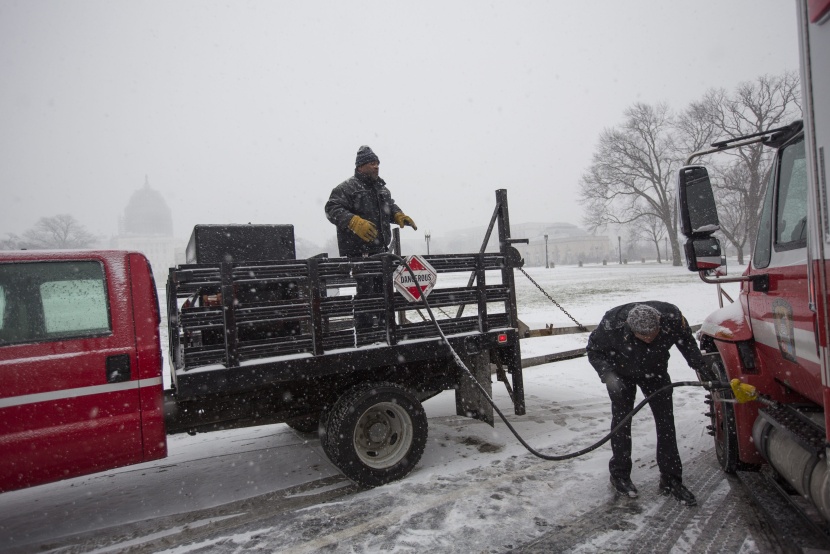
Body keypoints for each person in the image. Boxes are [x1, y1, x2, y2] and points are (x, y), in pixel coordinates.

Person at [586, 301, 707, 506]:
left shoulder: (673, 318)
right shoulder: (611, 324)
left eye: (653, 334)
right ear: (630, 329)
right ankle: (620, 475)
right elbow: (594, 351)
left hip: (656, 371)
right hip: (620, 373)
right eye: (643, 336)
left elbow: (685, 341)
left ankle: (671, 479)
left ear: (659, 323)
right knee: (622, 422)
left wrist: (699, 366)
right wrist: (608, 375)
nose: (649, 339)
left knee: (666, 422)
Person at [324, 145, 417, 334]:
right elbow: (331, 209)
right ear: (360, 167)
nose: (376, 167)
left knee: (384, 292)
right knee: (366, 294)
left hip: (381, 251)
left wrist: (398, 215)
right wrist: (353, 222)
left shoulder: (382, 190)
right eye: (372, 163)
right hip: (360, 254)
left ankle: (386, 329)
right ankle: (365, 332)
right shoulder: (346, 189)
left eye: (378, 164)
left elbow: (389, 207)